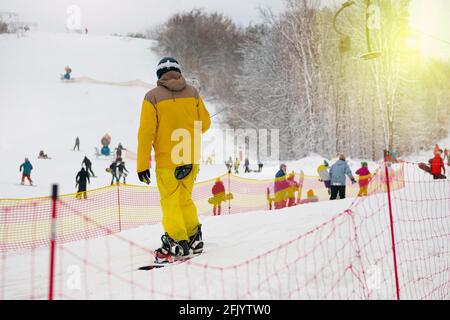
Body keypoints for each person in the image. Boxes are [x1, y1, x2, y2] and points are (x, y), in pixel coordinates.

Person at [137, 57, 211, 263]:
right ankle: (194, 238)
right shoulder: (193, 93)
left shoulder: (151, 97)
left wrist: (142, 165)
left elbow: (146, 133)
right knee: (184, 199)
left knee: (170, 202)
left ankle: (177, 243)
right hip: (190, 158)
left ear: (159, 75)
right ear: (179, 72)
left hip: (168, 162)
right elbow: (204, 124)